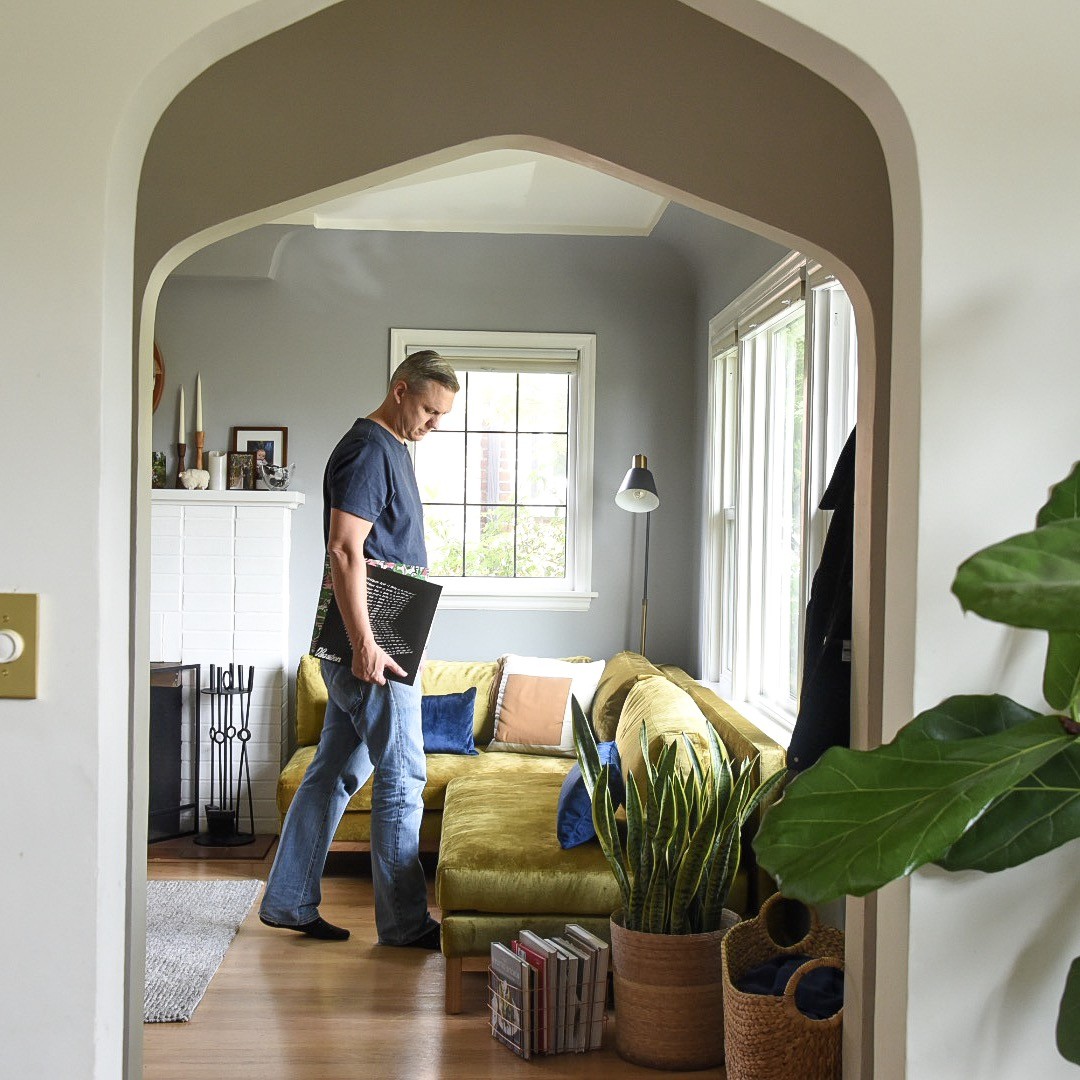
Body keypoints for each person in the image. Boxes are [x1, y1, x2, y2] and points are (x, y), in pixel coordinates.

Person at [259, 350, 459, 946]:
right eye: (428, 409)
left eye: (442, 414)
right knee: (404, 776)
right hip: (373, 648)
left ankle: (289, 901)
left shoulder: (393, 448)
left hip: (379, 640)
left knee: (332, 774)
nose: (433, 423)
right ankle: (403, 924)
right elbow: (345, 549)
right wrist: (365, 645)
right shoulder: (370, 448)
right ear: (400, 391)